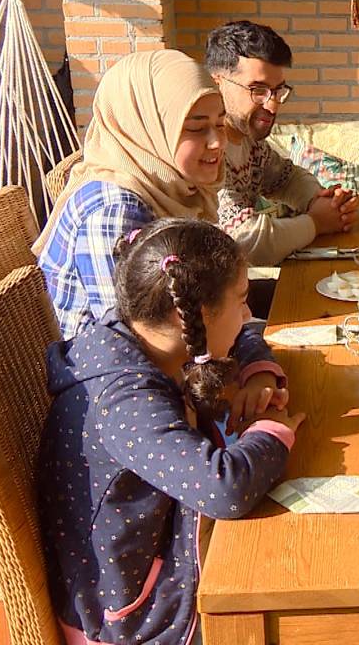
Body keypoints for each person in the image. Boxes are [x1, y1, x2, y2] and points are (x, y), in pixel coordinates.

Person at [38, 218, 305, 645]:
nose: (248, 313)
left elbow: (239, 337)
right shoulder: (123, 402)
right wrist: (272, 431)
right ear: (197, 314)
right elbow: (225, 488)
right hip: (138, 614)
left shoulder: (140, 331)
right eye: (240, 300)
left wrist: (258, 375)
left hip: (162, 554)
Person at [36, 49, 228, 340]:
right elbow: (137, 339)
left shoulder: (173, 189)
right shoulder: (113, 213)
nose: (216, 143)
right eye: (196, 128)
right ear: (146, 128)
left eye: (220, 124)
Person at [206, 20, 359, 266]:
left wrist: (323, 203)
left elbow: (286, 178)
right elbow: (248, 243)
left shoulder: (249, 141)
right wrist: (316, 222)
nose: (273, 105)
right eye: (258, 90)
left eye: (278, 91)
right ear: (218, 83)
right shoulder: (207, 151)